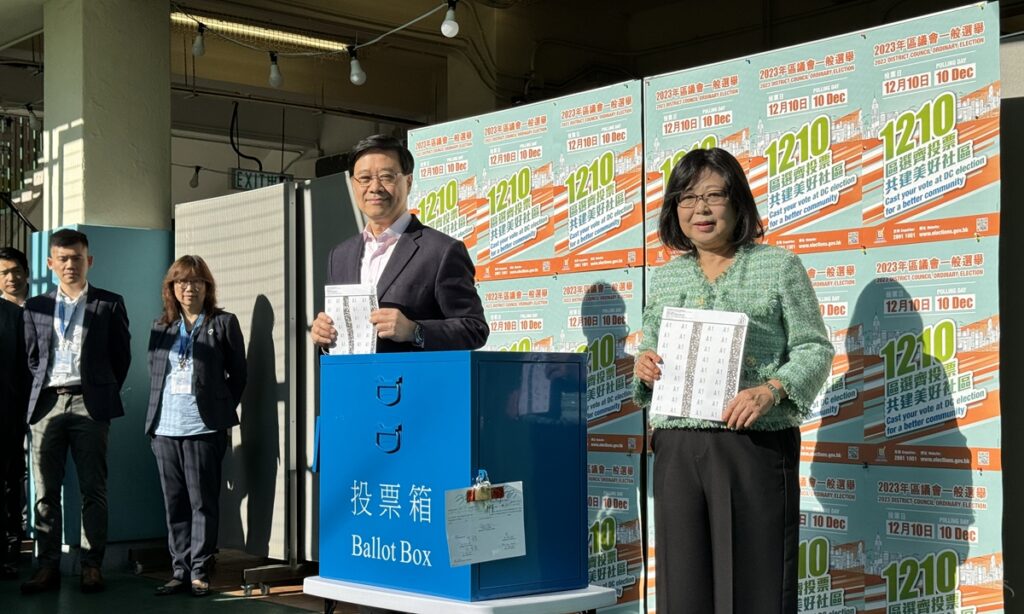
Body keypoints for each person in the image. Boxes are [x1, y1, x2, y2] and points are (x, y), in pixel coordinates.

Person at [632, 148, 834, 613]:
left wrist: (772, 390)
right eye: (686, 197)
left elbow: (814, 348)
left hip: (752, 446)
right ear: (673, 209)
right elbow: (653, 348)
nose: (699, 209)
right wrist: (645, 365)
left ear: (738, 201)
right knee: (683, 587)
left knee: (754, 585)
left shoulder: (779, 266)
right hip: (678, 448)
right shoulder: (666, 277)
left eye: (713, 195)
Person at [21, 229, 131, 594]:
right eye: (63, 259)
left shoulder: (109, 303)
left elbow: (121, 357)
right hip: (47, 404)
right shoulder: (35, 306)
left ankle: (91, 566)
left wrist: (99, 387)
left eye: (77, 258)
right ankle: (47, 566)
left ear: (89, 261)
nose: (70, 265)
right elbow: (32, 358)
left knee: (93, 489)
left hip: (89, 403)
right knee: (45, 492)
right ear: (51, 263)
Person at [309, 134, 488, 352]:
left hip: (413, 383)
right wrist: (325, 337)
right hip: (353, 383)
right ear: (353, 185)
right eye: (364, 179)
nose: (375, 187)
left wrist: (414, 331)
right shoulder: (339, 255)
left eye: (386, 177)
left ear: (408, 182)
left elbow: (474, 329)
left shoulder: (442, 251)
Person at [146, 255, 246, 598]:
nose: (189, 288)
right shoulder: (161, 327)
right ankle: (179, 570)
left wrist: (219, 409)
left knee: (202, 502)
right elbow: (156, 374)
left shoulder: (223, 323)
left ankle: (200, 571)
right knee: (174, 502)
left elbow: (239, 375)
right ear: (171, 289)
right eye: (181, 282)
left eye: (196, 282)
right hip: (165, 428)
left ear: (207, 287)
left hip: (203, 429)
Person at [0, 294, 29, 580]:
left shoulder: (14, 315)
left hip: (7, 416)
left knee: (9, 488)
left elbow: (25, 369)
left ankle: (8, 555)